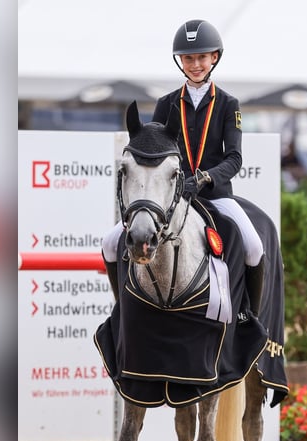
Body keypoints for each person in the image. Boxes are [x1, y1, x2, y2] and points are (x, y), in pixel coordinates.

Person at [102, 19, 265, 315]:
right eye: (188, 58)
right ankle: (120, 311)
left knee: (253, 246)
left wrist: (204, 179)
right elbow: (155, 151)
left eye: (202, 57)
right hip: (171, 198)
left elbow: (234, 159)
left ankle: (249, 317)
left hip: (215, 195)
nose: (195, 64)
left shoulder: (229, 104)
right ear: (180, 61)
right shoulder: (166, 103)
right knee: (110, 242)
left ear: (214, 57)